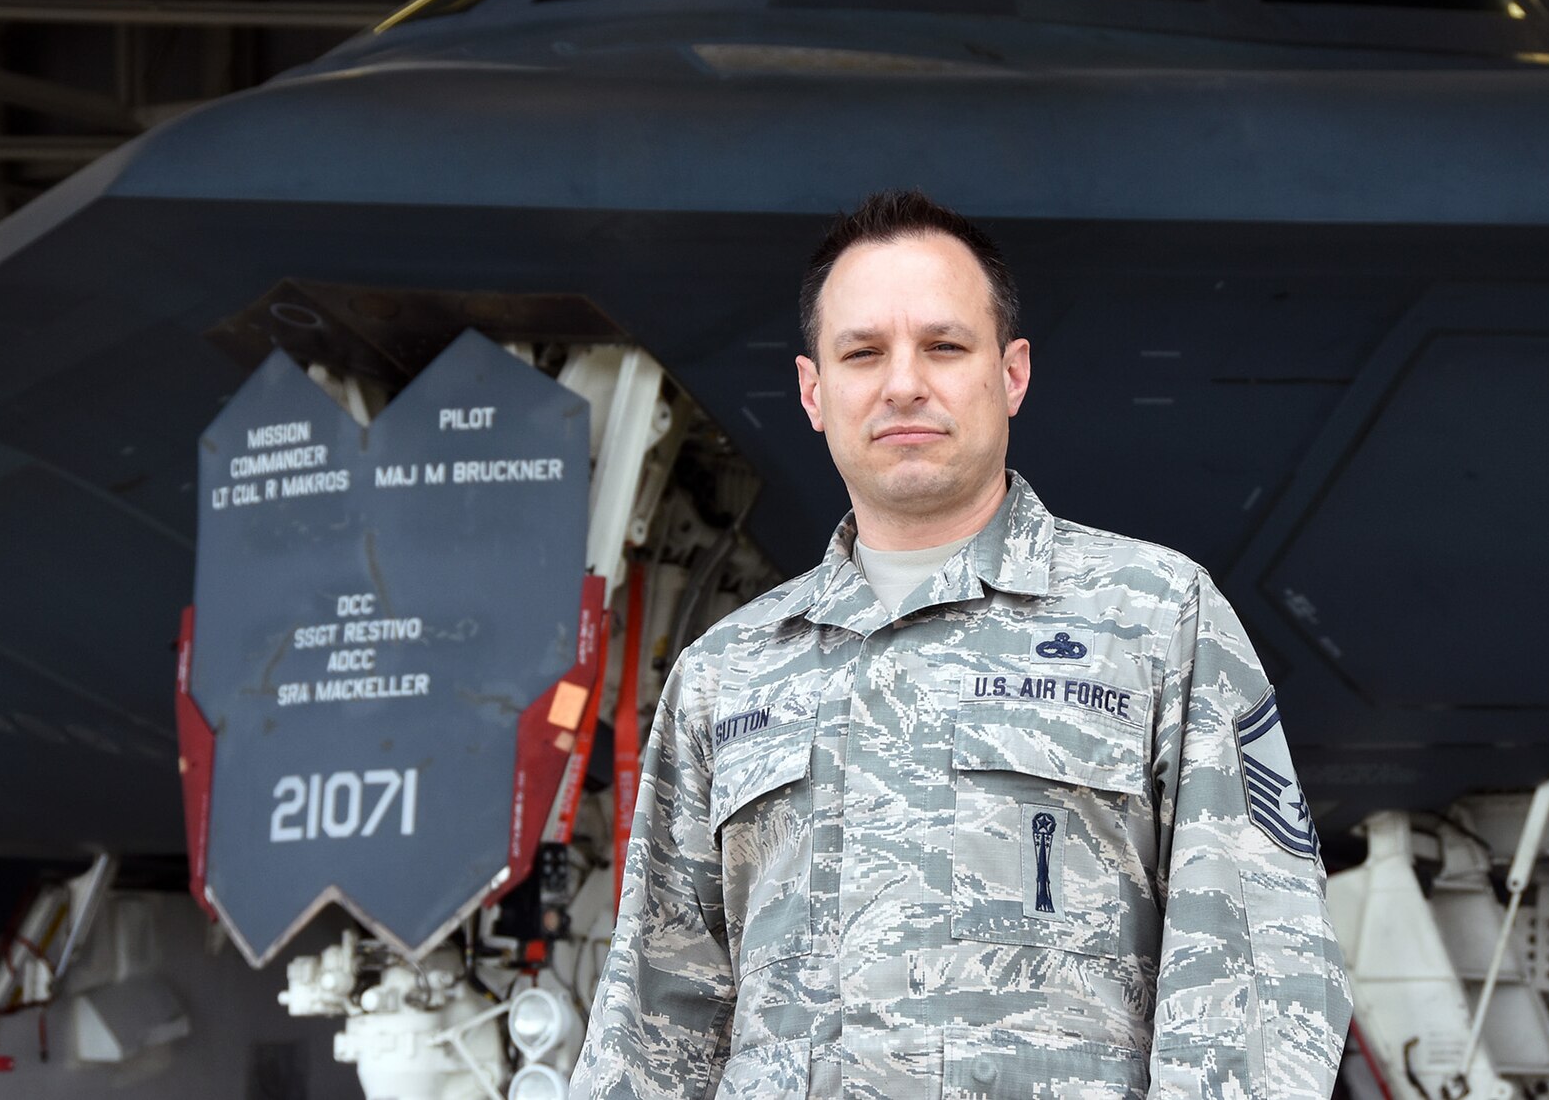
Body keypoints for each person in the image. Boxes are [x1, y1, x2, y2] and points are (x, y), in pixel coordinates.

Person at [572, 191, 1351, 1098]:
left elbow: (1261, 969)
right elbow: (654, 1023)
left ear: (1012, 373)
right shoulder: (726, 673)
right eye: (863, 353)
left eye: (944, 346)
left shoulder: (1154, 620)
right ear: (813, 392)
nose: (904, 382)